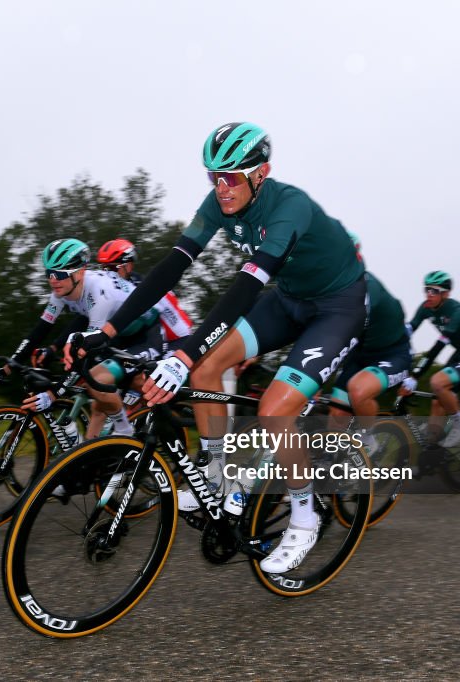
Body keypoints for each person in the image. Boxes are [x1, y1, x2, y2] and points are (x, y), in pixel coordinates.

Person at [67, 122, 367, 574]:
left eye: (231, 177)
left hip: (336, 309)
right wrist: (106, 333)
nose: (221, 188)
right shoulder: (218, 205)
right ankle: (215, 471)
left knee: (274, 410)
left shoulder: (290, 208)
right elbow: (170, 269)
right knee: (207, 370)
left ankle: (306, 517)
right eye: (213, 176)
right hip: (288, 301)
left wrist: (182, 353)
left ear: (261, 173)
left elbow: (246, 287)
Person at [0, 238, 161, 440]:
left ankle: (126, 432)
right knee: (98, 404)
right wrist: (9, 366)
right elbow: (40, 330)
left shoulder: (100, 292)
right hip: (115, 334)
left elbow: (86, 353)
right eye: (49, 273)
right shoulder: (61, 290)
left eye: (60, 274)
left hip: (144, 337)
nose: (53, 280)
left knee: (96, 380)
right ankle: (91, 457)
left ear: (80, 272)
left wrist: (53, 394)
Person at [326, 233, 412, 452]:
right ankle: (330, 467)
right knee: (337, 414)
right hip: (361, 354)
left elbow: (342, 334)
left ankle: (369, 441)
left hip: (392, 355)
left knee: (357, 391)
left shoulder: (368, 288)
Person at [402, 271, 460, 448]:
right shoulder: (426, 307)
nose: (428, 294)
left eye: (434, 291)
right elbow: (409, 329)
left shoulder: (457, 312)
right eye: (426, 289)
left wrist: (415, 376)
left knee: (437, 382)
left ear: (446, 294)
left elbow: (438, 347)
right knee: (437, 401)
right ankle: (431, 455)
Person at [96, 238, 195, 355]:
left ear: (127, 266)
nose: (107, 274)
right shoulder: (114, 288)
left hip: (177, 341)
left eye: (111, 268)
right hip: (152, 340)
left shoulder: (139, 286)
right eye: (104, 269)